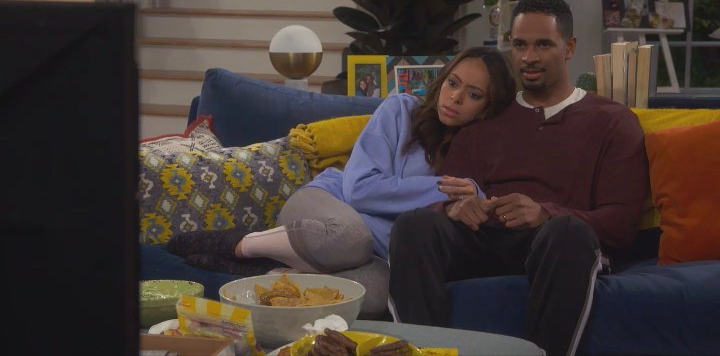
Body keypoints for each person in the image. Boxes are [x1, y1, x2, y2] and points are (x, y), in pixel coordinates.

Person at [388, 0, 649, 356]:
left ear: (569, 47)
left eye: (543, 44)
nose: (529, 57)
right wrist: (455, 209)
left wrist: (545, 214)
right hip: (485, 240)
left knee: (567, 232)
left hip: (557, 245)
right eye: (520, 45)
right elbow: (447, 194)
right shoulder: (485, 119)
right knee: (413, 225)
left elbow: (622, 223)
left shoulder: (612, 121)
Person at [166, 46, 517, 316]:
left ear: (489, 107)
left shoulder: (475, 156)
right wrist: (440, 190)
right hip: (328, 205)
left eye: (473, 94)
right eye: (453, 83)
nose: (455, 97)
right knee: (351, 238)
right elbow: (360, 189)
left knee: (373, 296)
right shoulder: (400, 110)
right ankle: (240, 243)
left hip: (376, 251)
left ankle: (267, 273)